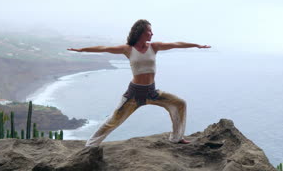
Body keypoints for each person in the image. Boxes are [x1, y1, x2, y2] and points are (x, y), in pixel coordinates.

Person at [67, 19, 211, 147]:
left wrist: (196, 45)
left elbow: (175, 44)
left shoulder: (154, 47)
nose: (152, 33)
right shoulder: (127, 49)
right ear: (140, 32)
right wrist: (81, 50)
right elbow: (103, 48)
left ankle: (176, 138)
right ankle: (90, 145)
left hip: (152, 92)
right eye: (149, 30)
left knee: (179, 103)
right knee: (112, 121)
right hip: (134, 95)